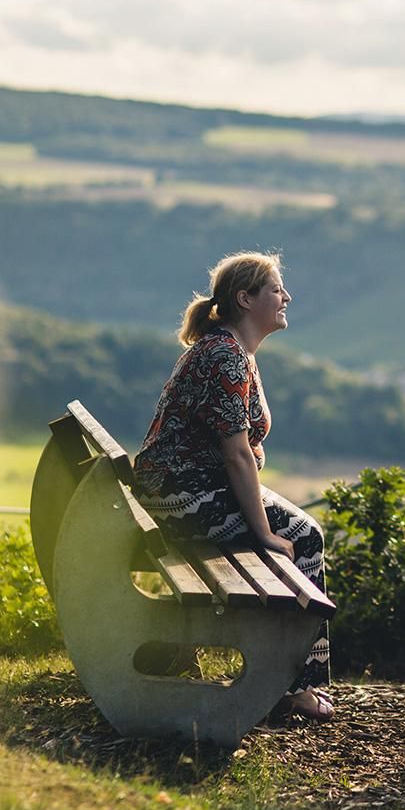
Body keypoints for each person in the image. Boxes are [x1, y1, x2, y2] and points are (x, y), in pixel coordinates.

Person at [132, 251, 333, 723]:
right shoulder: (223, 355)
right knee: (304, 538)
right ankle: (299, 686)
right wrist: (263, 533)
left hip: (188, 491)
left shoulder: (230, 349)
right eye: (276, 289)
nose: (287, 297)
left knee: (299, 529)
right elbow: (236, 454)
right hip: (183, 499)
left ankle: (285, 676)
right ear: (245, 299)